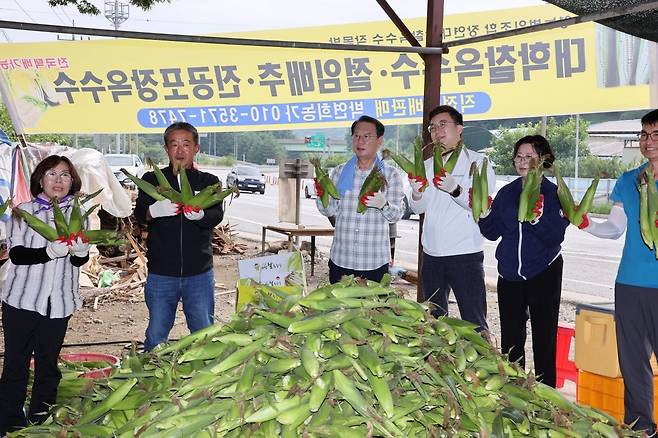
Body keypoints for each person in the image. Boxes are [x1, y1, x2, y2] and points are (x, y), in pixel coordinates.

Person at [579, 109, 658, 434]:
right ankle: (641, 425)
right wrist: (585, 223)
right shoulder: (630, 180)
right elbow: (614, 228)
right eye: (643, 134)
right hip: (629, 283)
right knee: (632, 361)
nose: (647, 141)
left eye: (655, 135)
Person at [0, 156, 90, 436]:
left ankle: (41, 422)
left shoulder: (79, 214)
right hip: (21, 300)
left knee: (48, 365)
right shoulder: (23, 212)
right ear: (40, 179)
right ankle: (9, 422)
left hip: (59, 303)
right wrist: (48, 252)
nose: (59, 181)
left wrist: (80, 253)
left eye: (65, 175)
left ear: (72, 181)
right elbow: (16, 253)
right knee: (15, 363)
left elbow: (76, 264)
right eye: (52, 174)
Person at [478, 135, 568, 387]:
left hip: (544, 271)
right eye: (519, 156)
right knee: (511, 341)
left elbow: (556, 236)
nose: (522, 161)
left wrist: (536, 218)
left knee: (544, 338)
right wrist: (483, 213)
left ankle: (546, 395)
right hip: (509, 276)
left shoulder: (554, 193)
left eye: (529, 156)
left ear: (544, 160)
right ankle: (513, 392)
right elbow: (492, 232)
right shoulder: (507, 193)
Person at [135, 122, 223, 352]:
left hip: (199, 273)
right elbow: (139, 215)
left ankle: (204, 380)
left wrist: (202, 214)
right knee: (156, 334)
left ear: (196, 148)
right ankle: (151, 378)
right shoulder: (152, 180)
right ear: (166, 149)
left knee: (203, 332)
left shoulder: (208, 181)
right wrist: (153, 211)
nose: (180, 150)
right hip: (161, 272)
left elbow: (217, 214)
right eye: (174, 144)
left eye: (186, 144)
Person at [409, 105, 495, 330]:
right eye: (432, 127)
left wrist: (455, 189)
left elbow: (482, 206)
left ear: (460, 129)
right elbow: (418, 208)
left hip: (465, 254)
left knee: (474, 320)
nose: (436, 131)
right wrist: (416, 193)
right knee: (434, 320)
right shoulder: (426, 166)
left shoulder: (479, 162)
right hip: (432, 255)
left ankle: (481, 361)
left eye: (442, 124)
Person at [315, 115, 404, 283]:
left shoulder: (391, 175)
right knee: (339, 309)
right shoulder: (339, 172)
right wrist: (322, 194)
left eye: (366, 136)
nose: (360, 141)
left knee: (375, 309)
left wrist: (383, 204)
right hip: (341, 260)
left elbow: (396, 215)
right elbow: (328, 210)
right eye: (356, 136)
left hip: (374, 263)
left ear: (379, 141)